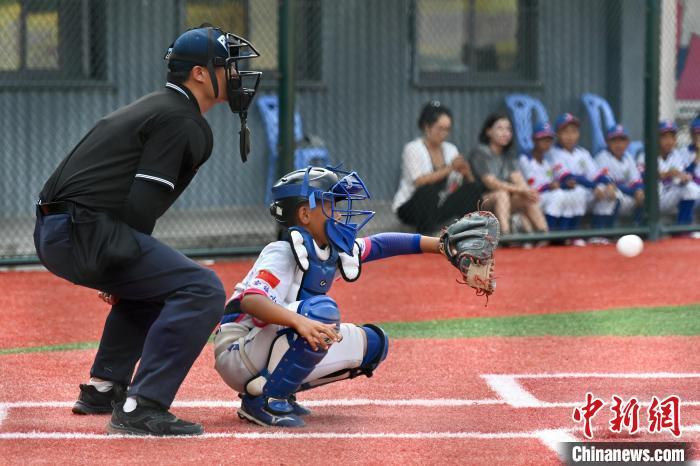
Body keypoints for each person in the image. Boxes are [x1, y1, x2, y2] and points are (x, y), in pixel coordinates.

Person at [33, 25, 261, 436]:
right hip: (82, 230)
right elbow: (141, 206)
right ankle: (143, 405)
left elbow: (133, 209)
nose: (235, 74)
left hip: (62, 229)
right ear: (198, 74)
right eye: (226, 66)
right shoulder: (181, 119)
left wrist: (126, 265)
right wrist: (120, 257)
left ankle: (105, 387)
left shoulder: (162, 106)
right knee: (202, 289)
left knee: (160, 282)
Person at [215, 166, 459, 427]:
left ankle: (280, 389)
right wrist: (301, 322)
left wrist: (440, 245)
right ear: (305, 214)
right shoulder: (282, 251)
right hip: (238, 349)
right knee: (320, 313)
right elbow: (252, 301)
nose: (340, 213)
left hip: (266, 343)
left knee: (374, 344)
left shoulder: (327, 249)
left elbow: (382, 244)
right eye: (331, 205)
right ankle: (264, 400)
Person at [393, 101, 481, 234]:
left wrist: (466, 172)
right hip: (411, 207)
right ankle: (426, 236)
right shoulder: (413, 148)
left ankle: (471, 234)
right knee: (428, 191)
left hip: (440, 205)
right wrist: (450, 168)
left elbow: (465, 183)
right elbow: (419, 181)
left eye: (447, 129)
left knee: (472, 189)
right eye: (440, 128)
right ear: (427, 127)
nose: (444, 133)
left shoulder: (451, 149)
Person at [469, 113, 548, 237]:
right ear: (489, 132)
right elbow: (491, 183)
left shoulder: (509, 155)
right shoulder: (480, 152)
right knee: (502, 194)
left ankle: (545, 234)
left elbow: (518, 179)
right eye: (500, 128)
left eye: (508, 129)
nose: (505, 133)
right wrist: (521, 190)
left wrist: (528, 192)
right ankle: (505, 236)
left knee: (527, 197)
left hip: (505, 202)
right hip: (480, 202)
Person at [546, 113, 616, 245]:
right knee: (578, 191)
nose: (570, 136)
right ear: (558, 134)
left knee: (608, 191)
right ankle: (571, 234)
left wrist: (609, 184)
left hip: (586, 191)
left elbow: (596, 174)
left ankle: (598, 235)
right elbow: (568, 177)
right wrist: (593, 186)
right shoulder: (553, 152)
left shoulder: (582, 153)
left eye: (574, 131)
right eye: (565, 132)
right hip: (566, 191)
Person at [518, 122, 584, 233]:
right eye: (543, 139)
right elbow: (533, 187)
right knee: (558, 195)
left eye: (549, 139)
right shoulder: (525, 159)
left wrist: (563, 185)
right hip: (529, 200)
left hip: (544, 197)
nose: (546, 143)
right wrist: (550, 186)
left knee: (569, 194)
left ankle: (564, 235)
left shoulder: (547, 161)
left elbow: (553, 183)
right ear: (534, 140)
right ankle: (550, 234)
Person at [593, 125, 645, 226]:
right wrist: (633, 192)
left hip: (626, 194)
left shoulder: (628, 157)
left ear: (627, 143)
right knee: (613, 194)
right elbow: (608, 183)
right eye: (615, 141)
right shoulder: (602, 157)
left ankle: (637, 227)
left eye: (622, 140)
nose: (619, 144)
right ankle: (606, 229)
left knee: (643, 195)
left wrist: (639, 190)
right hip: (607, 196)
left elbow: (635, 180)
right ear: (607, 142)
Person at [655, 120, 700, 224]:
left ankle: (683, 227)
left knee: (690, 188)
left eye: (672, 137)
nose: (669, 141)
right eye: (664, 137)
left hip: (671, 195)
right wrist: (668, 174)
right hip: (654, 199)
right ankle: (683, 228)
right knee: (689, 189)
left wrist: (683, 177)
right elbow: (645, 176)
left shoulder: (675, 154)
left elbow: (682, 176)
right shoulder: (647, 154)